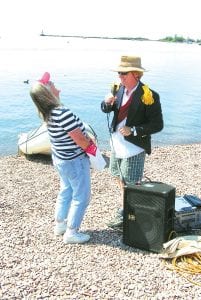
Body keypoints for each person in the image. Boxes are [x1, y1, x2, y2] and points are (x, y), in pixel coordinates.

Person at [30, 72, 97, 244]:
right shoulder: (62, 112)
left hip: (61, 159)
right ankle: (71, 232)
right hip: (74, 161)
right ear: (48, 92)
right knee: (81, 196)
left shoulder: (49, 114)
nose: (53, 82)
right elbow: (80, 140)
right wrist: (92, 147)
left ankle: (60, 224)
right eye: (49, 82)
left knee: (66, 190)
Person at [101, 55, 164, 229]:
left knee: (132, 182)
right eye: (119, 73)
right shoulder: (118, 89)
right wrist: (106, 103)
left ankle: (130, 213)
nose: (120, 76)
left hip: (134, 146)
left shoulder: (149, 95)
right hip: (116, 143)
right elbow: (107, 109)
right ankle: (126, 206)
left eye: (123, 73)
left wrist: (134, 130)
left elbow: (158, 125)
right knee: (117, 175)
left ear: (136, 74)